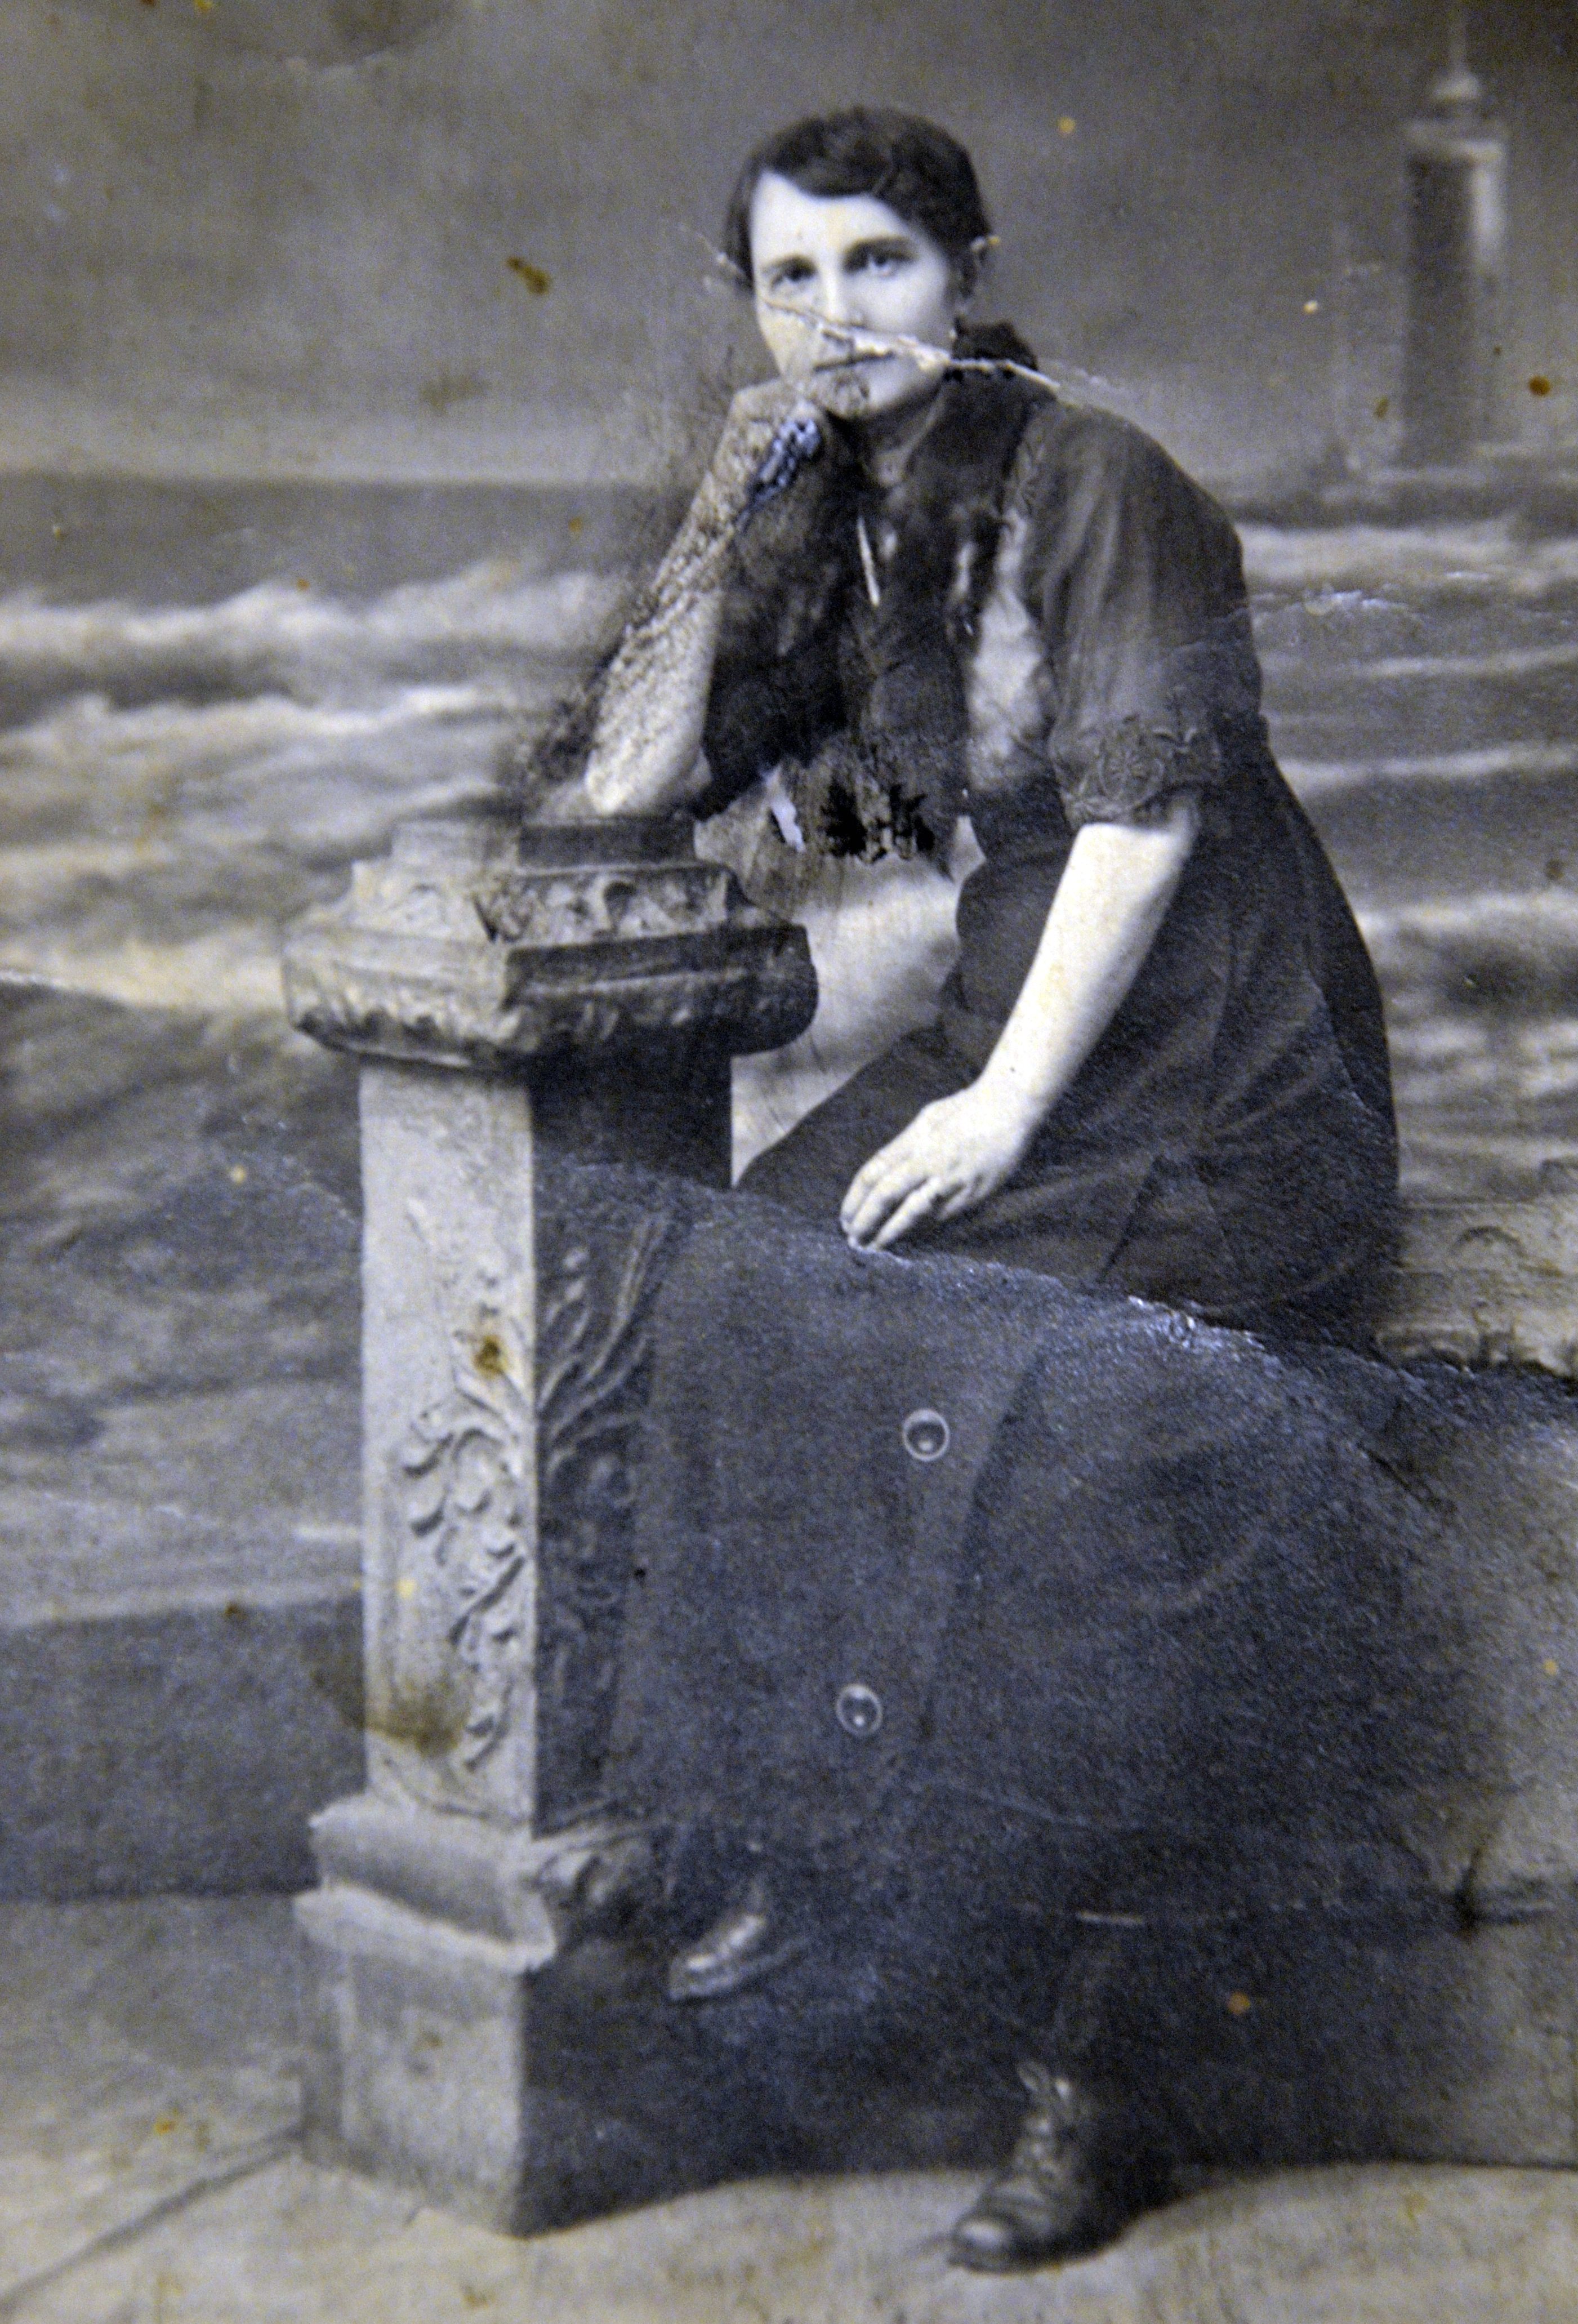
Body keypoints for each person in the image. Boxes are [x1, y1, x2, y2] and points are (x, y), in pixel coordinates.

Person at [529, 108, 1403, 2271]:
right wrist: (723, 502)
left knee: (1081, 1433)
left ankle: (1104, 2075)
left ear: (967, 272)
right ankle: (783, 1854)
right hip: (1019, 1009)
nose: (837, 314)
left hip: (1218, 1048)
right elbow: (622, 793)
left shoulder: (1095, 481)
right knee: (733, 1282)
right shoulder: (836, 509)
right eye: (790, 277)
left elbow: (1145, 820)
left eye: (879, 263)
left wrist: (1009, 1110)